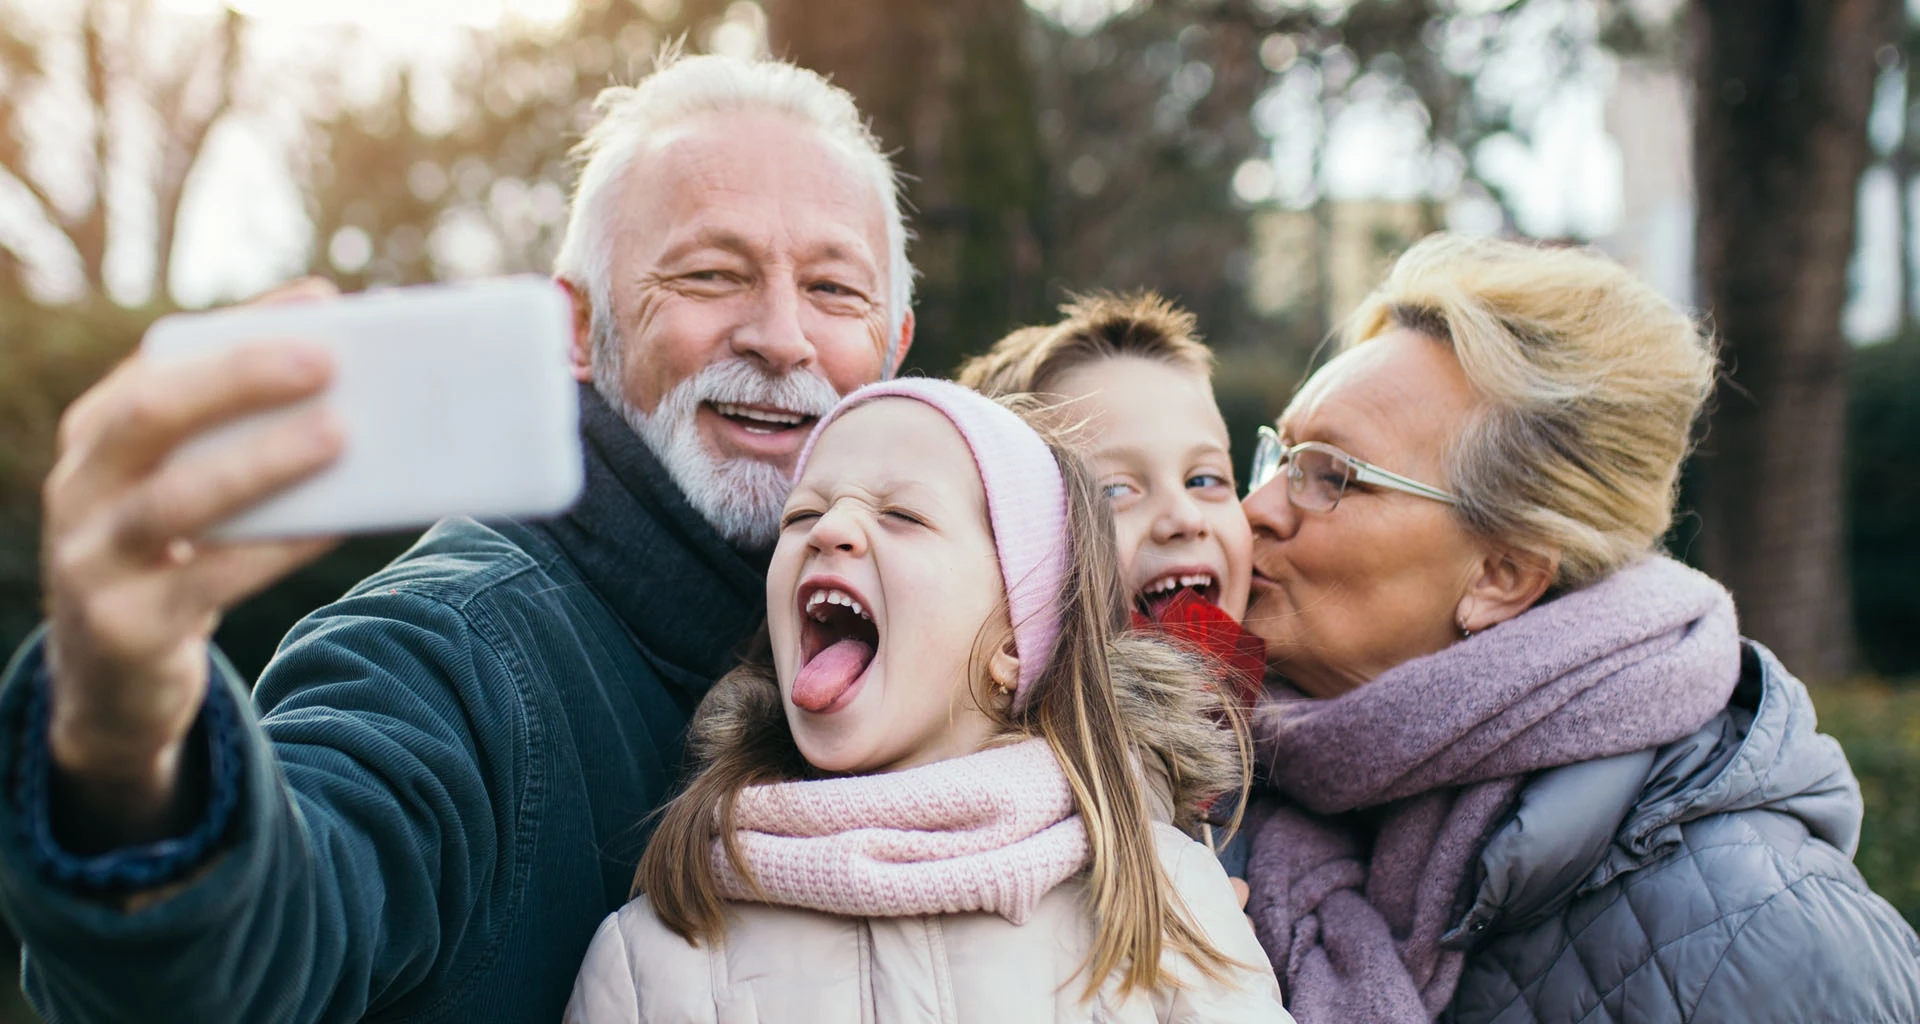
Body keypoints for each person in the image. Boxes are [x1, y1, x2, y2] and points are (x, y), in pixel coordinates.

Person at [0, 52, 915, 1023]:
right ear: (576, 327)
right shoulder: (452, 653)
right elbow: (238, 962)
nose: (780, 335)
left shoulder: (948, 654)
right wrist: (119, 732)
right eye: (711, 274)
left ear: (895, 346)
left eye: (833, 289)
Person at [1237, 232, 1920, 1023]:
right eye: (1279, 455)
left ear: (1502, 576)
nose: (1256, 508)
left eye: (1332, 475)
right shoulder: (1217, 789)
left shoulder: (1771, 942)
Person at [564, 378, 1291, 1023]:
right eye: (801, 516)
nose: (833, 530)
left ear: (1016, 639)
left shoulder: (1163, 901)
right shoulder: (655, 954)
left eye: (903, 515)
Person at [957, 293, 1264, 884]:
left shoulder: (1283, 782)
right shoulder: (994, 797)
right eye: (1114, 490)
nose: (1184, 517)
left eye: (1206, 479)